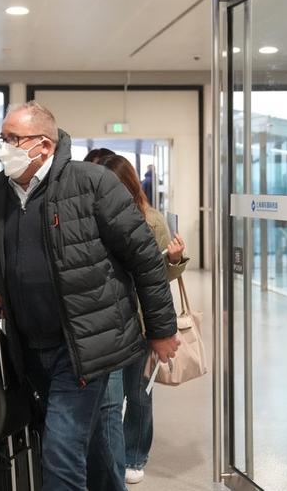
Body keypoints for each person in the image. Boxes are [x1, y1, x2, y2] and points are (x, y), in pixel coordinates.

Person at [0, 101, 179, 491]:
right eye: (2, 138)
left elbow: (145, 261)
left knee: (61, 450)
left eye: (13, 139)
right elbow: (2, 255)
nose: (5, 147)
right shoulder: (0, 194)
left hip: (82, 346)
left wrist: (161, 330)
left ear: (43, 145)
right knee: (75, 444)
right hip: (29, 343)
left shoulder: (93, 184)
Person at [98, 154, 188, 484]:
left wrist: (176, 258)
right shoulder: (87, 216)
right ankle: (110, 459)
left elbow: (159, 276)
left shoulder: (150, 220)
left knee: (138, 394)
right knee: (107, 398)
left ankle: (134, 455)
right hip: (104, 323)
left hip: (140, 320)